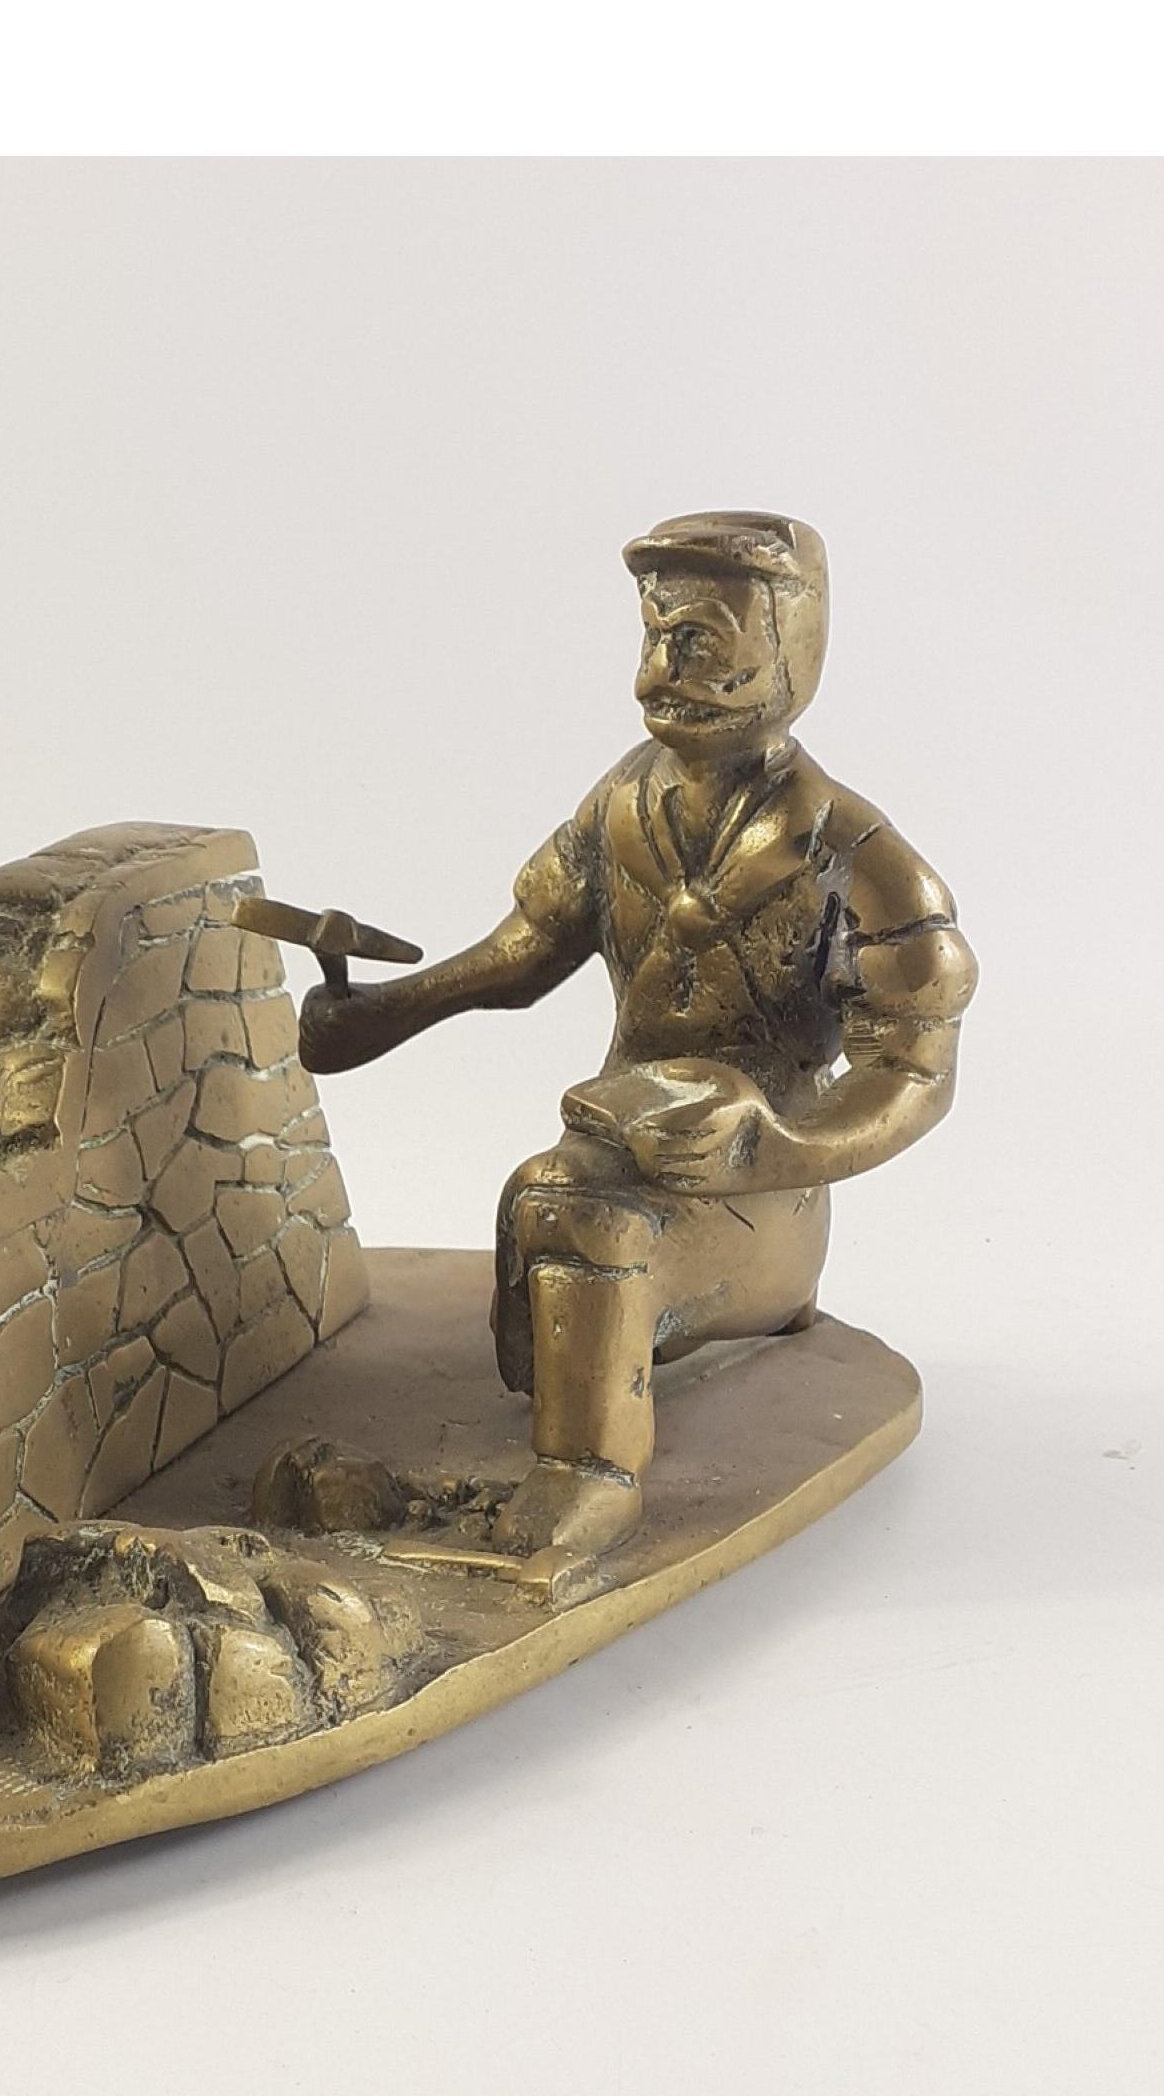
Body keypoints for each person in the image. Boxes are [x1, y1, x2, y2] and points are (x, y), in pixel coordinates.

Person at [299, 511, 975, 1566]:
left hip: (762, 1201)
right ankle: (582, 1395)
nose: (654, 674)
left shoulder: (864, 864)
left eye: (698, 641)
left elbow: (913, 1072)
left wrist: (773, 1142)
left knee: (583, 1219)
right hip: (615, 1149)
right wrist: (386, 1011)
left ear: (790, 643)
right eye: (655, 638)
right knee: (541, 1202)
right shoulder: (624, 802)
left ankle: (590, 1484)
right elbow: (527, 946)